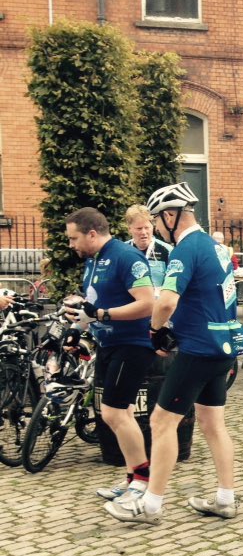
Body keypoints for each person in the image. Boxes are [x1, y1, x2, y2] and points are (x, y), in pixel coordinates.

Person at [104, 182, 243, 526]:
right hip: (223, 346)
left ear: (170, 215)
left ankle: (150, 505)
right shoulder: (215, 247)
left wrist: (155, 329)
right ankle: (226, 498)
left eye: (157, 218)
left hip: (197, 348)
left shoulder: (185, 248)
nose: (156, 226)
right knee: (213, 424)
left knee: (161, 422)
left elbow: (165, 300)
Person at [63, 208, 156, 502]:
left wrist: (104, 314)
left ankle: (142, 483)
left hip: (131, 344)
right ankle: (133, 479)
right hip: (108, 344)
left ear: (92, 234)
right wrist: (77, 329)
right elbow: (91, 306)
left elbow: (147, 304)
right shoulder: (93, 261)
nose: (71, 244)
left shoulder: (125, 257)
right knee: (120, 413)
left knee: (114, 413)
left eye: (74, 238)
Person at [124, 204, 173, 289]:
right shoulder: (122, 251)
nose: (144, 232)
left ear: (153, 227)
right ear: (129, 229)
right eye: (139, 228)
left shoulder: (167, 250)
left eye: (147, 227)